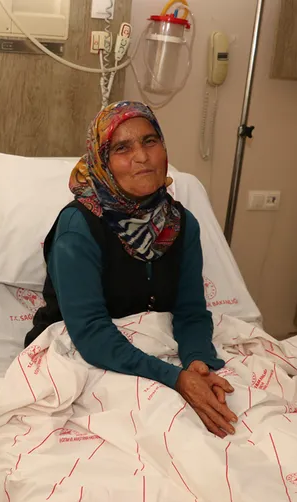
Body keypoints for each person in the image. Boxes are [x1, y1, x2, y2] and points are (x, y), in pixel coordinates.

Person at [25, 101, 237, 438]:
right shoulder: (78, 228)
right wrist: (176, 379)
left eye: (150, 141)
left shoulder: (181, 224)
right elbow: (91, 333)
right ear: (102, 162)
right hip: (84, 355)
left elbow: (191, 311)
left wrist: (197, 362)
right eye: (122, 148)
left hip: (157, 353)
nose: (142, 156)